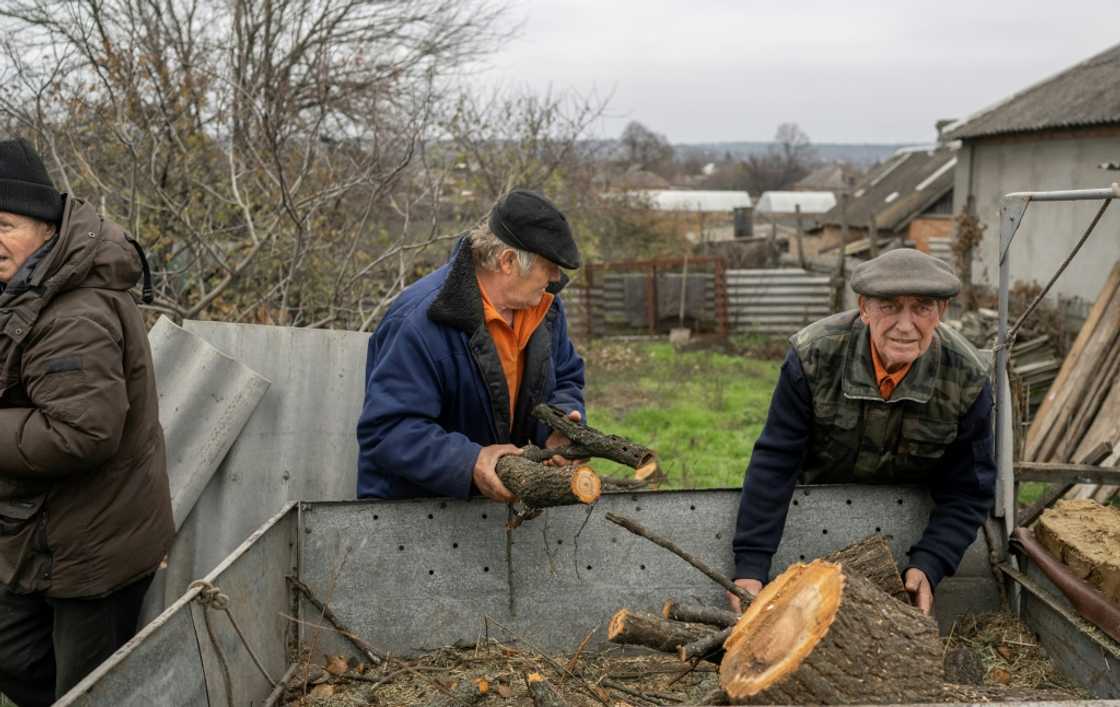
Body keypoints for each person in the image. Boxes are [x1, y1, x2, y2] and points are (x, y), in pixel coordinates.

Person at [0, 138, 174, 706]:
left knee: (86, 693)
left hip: (92, 549)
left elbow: (82, 432)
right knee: (27, 668)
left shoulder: (74, 310)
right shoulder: (26, 288)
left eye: (4, 224)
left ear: (46, 230)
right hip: (40, 531)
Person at [730, 248, 995, 615]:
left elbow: (970, 489)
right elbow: (776, 462)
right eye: (889, 306)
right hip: (815, 516)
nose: (905, 325)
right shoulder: (814, 357)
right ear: (864, 307)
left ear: (942, 313)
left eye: (922, 308)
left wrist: (931, 562)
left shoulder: (968, 377)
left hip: (909, 527)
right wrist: (751, 566)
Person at [356, 189, 586, 501]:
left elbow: (567, 376)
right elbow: (387, 431)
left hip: (499, 514)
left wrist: (559, 424)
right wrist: (471, 461)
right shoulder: (418, 322)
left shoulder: (546, 309)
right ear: (507, 262)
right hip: (414, 519)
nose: (557, 277)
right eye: (550, 266)